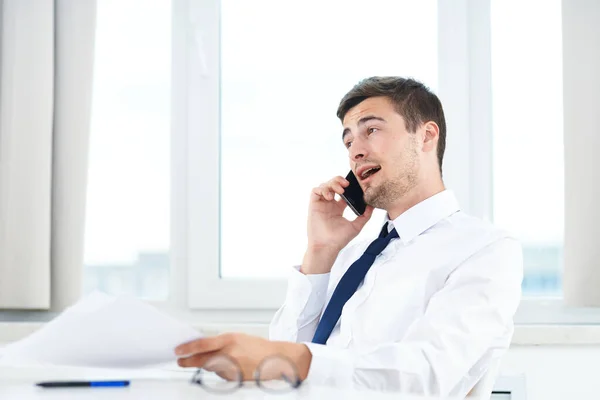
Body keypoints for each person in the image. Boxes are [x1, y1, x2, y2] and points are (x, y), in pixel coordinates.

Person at [175, 77, 523, 397]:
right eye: (348, 140)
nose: (355, 150)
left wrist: (290, 358)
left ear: (426, 136)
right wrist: (320, 251)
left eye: (371, 130)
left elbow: (426, 374)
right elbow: (281, 371)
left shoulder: (486, 250)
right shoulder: (353, 255)